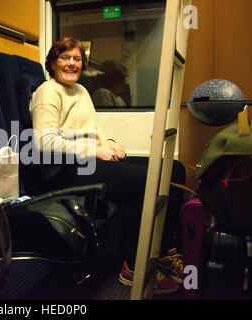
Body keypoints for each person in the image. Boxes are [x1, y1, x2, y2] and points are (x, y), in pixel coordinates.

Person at [29, 37, 184, 295]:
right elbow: (45, 144)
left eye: (77, 58)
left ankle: (165, 249)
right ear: (53, 62)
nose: (71, 63)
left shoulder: (80, 91)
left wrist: (110, 144)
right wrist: (95, 151)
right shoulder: (47, 92)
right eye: (64, 57)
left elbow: (92, 131)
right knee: (148, 180)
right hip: (64, 171)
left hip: (88, 161)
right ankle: (135, 264)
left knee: (173, 169)